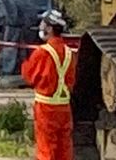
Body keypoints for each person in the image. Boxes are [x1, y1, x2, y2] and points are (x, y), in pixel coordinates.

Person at [20, 8, 76, 160]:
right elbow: (71, 81)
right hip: (64, 108)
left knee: (47, 149)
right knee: (64, 150)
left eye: (43, 24)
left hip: (46, 109)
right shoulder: (70, 52)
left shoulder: (42, 52)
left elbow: (29, 77)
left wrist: (24, 63)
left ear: (50, 28)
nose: (41, 27)